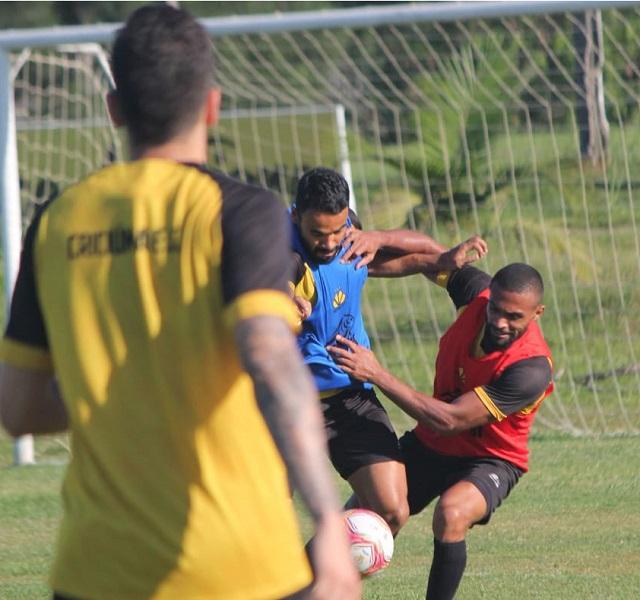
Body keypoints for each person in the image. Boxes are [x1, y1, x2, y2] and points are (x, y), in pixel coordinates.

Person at [0, 6, 361, 600]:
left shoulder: (56, 220)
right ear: (212, 106)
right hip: (240, 567)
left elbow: (18, 409)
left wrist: (116, 380)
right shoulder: (243, 211)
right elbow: (271, 360)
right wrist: (326, 520)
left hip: (97, 572)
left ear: (114, 109)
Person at [328, 257, 554, 600]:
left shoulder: (532, 369)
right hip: (431, 445)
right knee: (364, 514)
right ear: (489, 295)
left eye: (514, 316)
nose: (500, 321)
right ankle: (297, 588)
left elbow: (449, 420)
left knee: (451, 512)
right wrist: (365, 248)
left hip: (491, 459)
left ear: (537, 313)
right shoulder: (475, 295)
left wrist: (376, 373)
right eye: (496, 309)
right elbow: (430, 259)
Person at [289, 167, 487, 536]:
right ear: (297, 216)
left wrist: (439, 260)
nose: (330, 243)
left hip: (349, 394)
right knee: (267, 513)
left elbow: (377, 260)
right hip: (287, 398)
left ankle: (321, 579)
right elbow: (258, 287)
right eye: (317, 233)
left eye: (337, 230)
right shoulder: (278, 252)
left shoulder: (348, 233)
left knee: (392, 509)